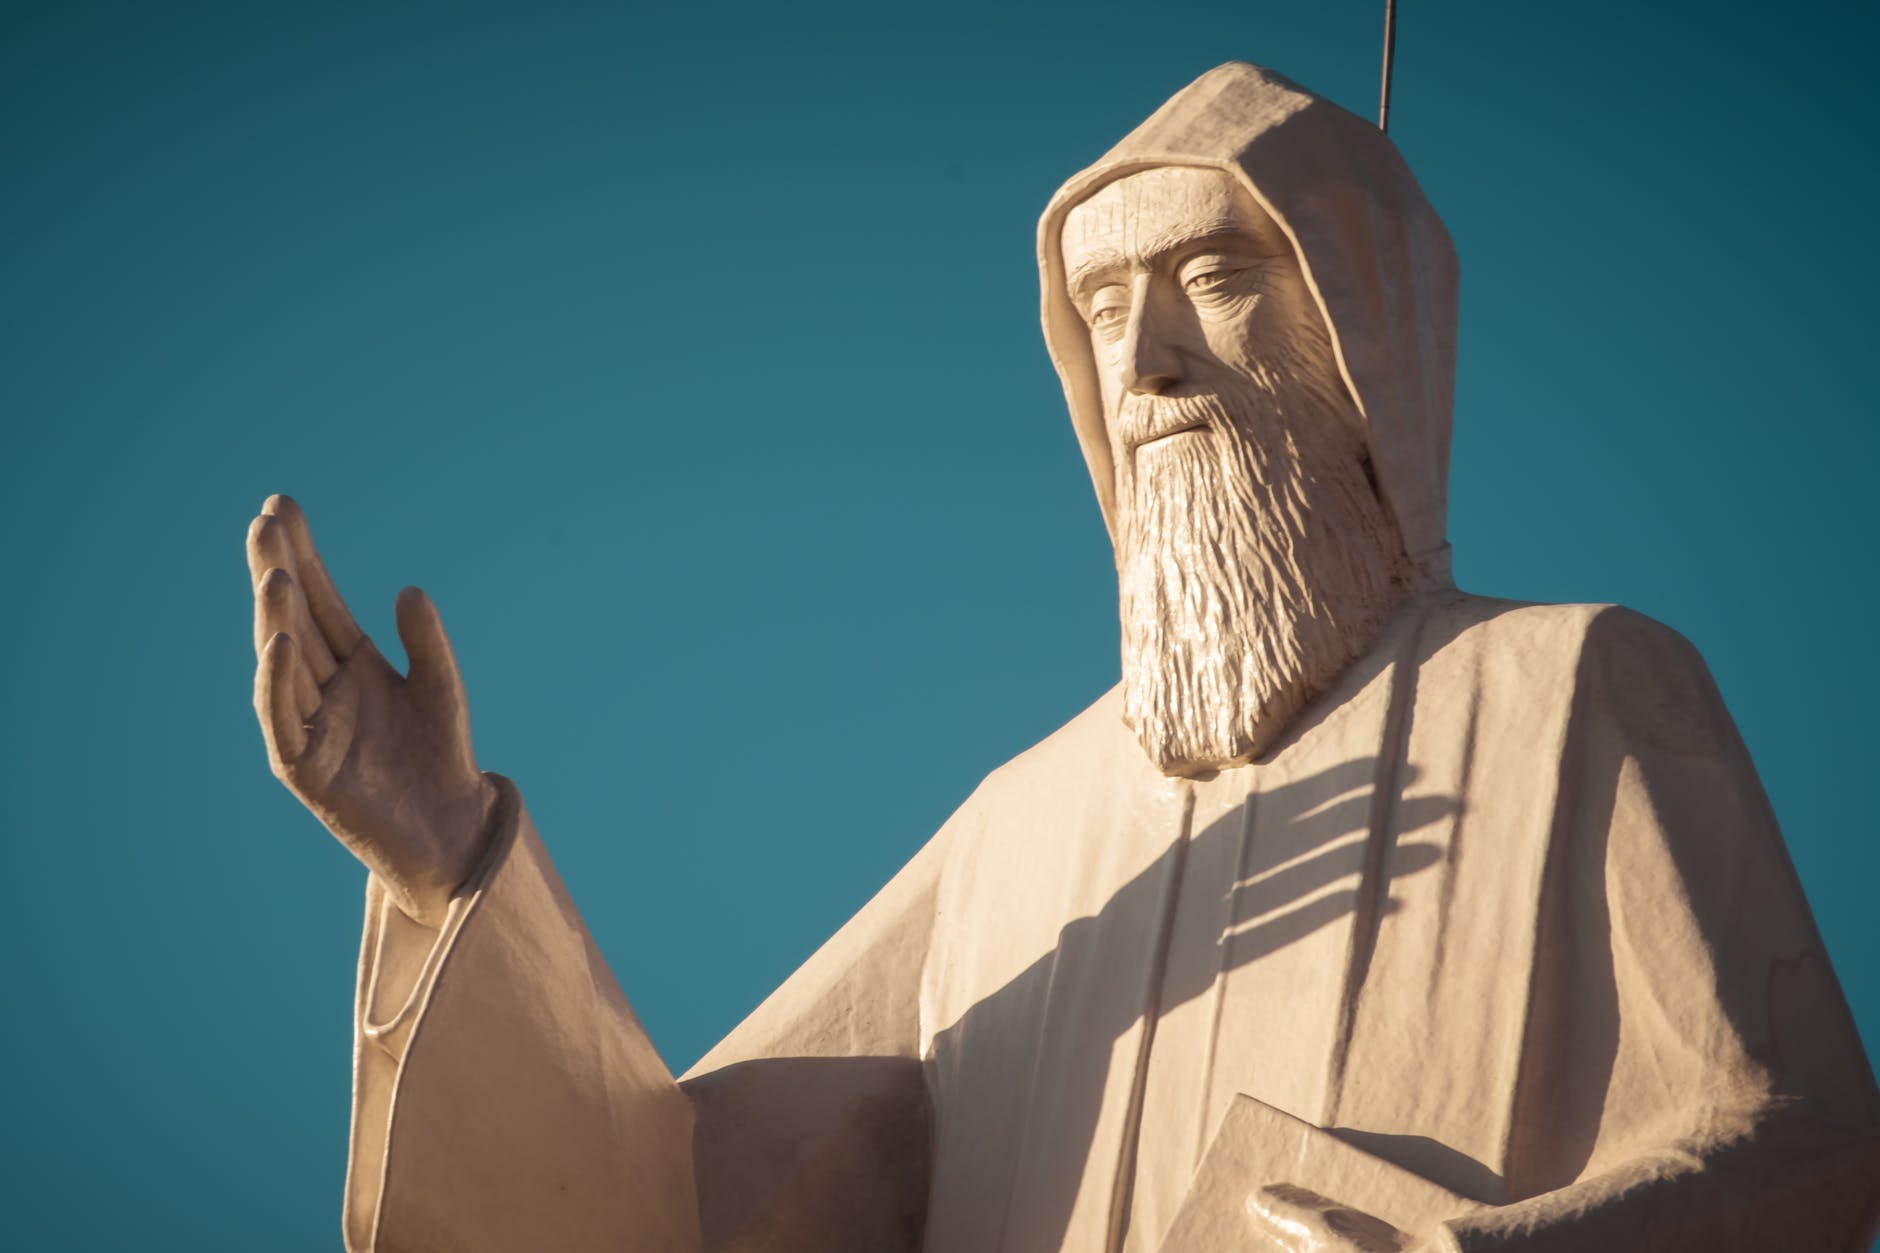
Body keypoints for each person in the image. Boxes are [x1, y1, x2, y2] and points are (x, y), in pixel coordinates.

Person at [247, 62, 1880, 1253]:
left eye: (1219, 278)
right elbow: (667, 1204)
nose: (1150, 358)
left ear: (1363, 336)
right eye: (1104, 307)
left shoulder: (1577, 693)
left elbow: (1810, 1148)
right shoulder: (1018, 836)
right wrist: (451, 863)